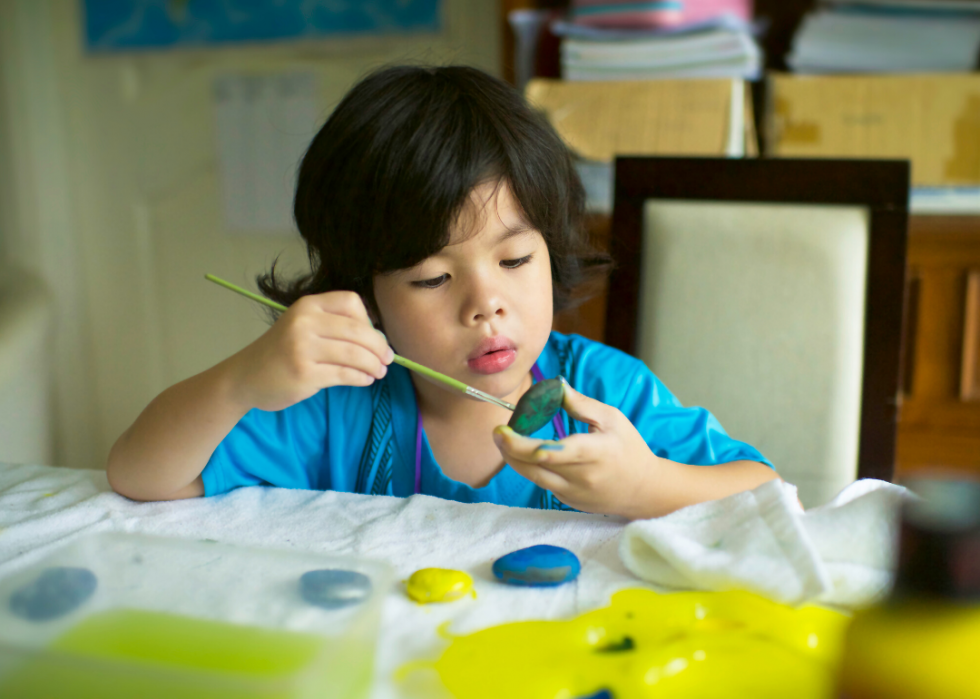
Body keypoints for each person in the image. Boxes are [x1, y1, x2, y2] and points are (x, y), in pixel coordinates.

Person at [107, 64, 778, 519]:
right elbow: (140, 475)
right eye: (431, 277)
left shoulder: (604, 395)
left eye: (515, 258)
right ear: (363, 295)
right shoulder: (338, 409)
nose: (485, 304)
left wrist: (645, 484)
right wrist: (240, 381)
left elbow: (763, 490)